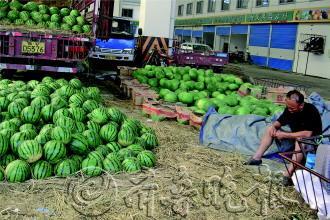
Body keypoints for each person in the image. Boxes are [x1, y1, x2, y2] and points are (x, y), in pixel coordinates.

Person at [244, 90, 322, 186]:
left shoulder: (311, 111)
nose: (289, 110)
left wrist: (284, 135)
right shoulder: (289, 109)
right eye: (288, 107)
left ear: (301, 105)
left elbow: (307, 134)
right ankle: (256, 158)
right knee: (270, 129)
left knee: (301, 140)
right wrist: (273, 126)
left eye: (292, 108)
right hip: (295, 135)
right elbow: (280, 121)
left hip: (312, 141)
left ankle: (288, 175)